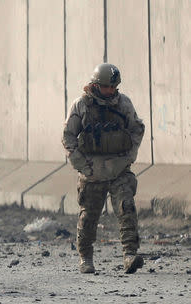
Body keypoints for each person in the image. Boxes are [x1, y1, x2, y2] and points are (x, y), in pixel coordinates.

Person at [62, 63, 145, 274]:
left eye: (114, 87)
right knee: (89, 216)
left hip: (118, 168)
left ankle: (129, 255)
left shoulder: (123, 103)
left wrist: (128, 158)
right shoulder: (81, 105)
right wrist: (81, 164)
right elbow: (68, 136)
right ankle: (86, 258)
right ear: (96, 85)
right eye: (107, 86)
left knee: (127, 208)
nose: (111, 91)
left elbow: (136, 130)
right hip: (92, 171)